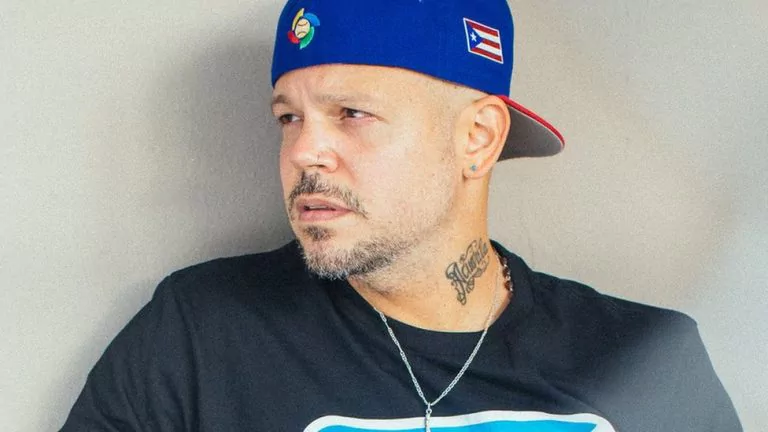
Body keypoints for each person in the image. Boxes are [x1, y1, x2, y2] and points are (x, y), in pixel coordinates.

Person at [61, 0, 741, 431]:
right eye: (289, 117)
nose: (303, 152)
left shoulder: (648, 361)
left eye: (351, 113)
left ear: (477, 138)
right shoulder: (201, 336)